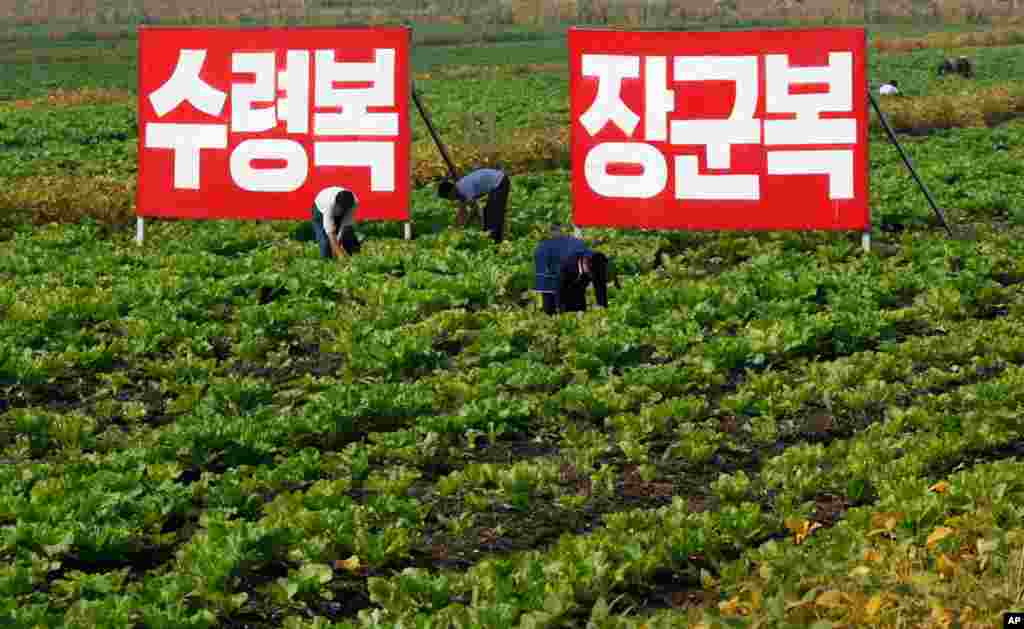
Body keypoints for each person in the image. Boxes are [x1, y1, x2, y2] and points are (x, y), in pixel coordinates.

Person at [534, 225, 609, 314]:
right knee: (551, 305)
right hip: (550, 268)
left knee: (578, 305)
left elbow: (600, 286)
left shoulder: (598, 263)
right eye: (590, 273)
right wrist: (559, 310)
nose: (592, 276)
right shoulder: (567, 264)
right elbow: (559, 287)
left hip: (573, 273)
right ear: (585, 263)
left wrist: (602, 307)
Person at [437, 168, 510, 243]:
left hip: (499, 181)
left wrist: (465, 226)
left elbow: (474, 209)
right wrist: (455, 227)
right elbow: (462, 211)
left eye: (448, 197)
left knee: (493, 215)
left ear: (451, 191)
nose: (451, 200)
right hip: (496, 182)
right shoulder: (459, 189)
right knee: (489, 214)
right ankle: (494, 239)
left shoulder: (464, 188)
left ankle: (495, 241)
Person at [311, 186, 361, 260]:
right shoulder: (328, 205)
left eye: (344, 209)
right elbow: (330, 233)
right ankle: (327, 263)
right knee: (325, 242)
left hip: (338, 207)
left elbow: (344, 227)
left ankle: (356, 259)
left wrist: (338, 241)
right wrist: (340, 254)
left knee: (348, 236)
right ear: (336, 204)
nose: (341, 211)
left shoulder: (353, 203)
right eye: (340, 208)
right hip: (319, 211)